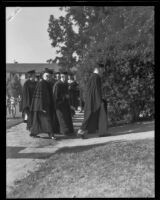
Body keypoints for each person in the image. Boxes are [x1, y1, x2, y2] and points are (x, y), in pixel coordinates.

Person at [77, 63, 109, 139]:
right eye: (102, 69)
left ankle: (84, 132)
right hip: (94, 100)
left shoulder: (92, 77)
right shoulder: (96, 77)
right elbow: (96, 90)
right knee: (93, 115)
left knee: (90, 115)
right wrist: (99, 100)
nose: (103, 71)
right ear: (98, 69)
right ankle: (82, 130)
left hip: (91, 100)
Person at [29, 68, 58, 139]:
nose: (48, 77)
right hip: (41, 106)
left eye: (50, 76)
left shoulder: (48, 83)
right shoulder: (41, 83)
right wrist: (42, 107)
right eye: (47, 76)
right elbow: (40, 97)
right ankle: (51, 134)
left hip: (45, 105)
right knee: (46, 120)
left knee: (38, 120)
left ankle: (33, 133)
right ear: (43, 76)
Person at [53, 71, 74, 136]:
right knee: (62, 118)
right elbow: (55, 97)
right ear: (62, 77)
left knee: (67, 118)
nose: (67, 78)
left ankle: (69, 130)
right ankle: (64, 131)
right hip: (60, 105)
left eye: (67, 77)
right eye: (66, 77)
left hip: (66, 104)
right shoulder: (57, 85)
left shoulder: (65, 84)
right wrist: (64, 97)